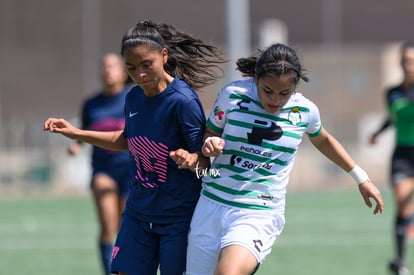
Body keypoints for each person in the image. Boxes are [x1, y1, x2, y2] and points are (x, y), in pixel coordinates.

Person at [185, 43, 384, 275]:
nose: (275, 101)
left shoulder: (305, 112)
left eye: (284, 93)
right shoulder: (233, 96)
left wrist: (361, 177)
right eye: (267, 90)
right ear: (256, 79)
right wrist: (211, 143)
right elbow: (210, 133)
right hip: (212, 203)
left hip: (258, 211)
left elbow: (323, 140)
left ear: (294, 87)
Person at [44, 20, 225, 275]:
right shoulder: (133, 96)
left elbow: (206, 166)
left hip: (178, 219)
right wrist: (75, 133)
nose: (139, 74)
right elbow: (128, 141)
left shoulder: (183, 101)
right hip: (138, 213)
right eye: (131, 68)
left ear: (164, 56)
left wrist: (191, 160)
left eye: (146, 65)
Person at [67, 53, 131, 275]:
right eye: (104, 66)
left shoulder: (134, 97)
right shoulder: (91, 103)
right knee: (107, 224)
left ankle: (126, 269)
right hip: (104, 171)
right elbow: (83, 131)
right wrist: (76, 145)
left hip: (131, 172)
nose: (107, 70)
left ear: (124, 72)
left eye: (112, 66)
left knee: (126, 229)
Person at [368, 41, 414, 275]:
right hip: (403, 156)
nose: (409, 66)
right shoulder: (392, 93)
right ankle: (401, 262)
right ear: (400, 63)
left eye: (413, 62)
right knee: (403, 206)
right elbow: (392, 118)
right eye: (406, 61)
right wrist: (377, 132)